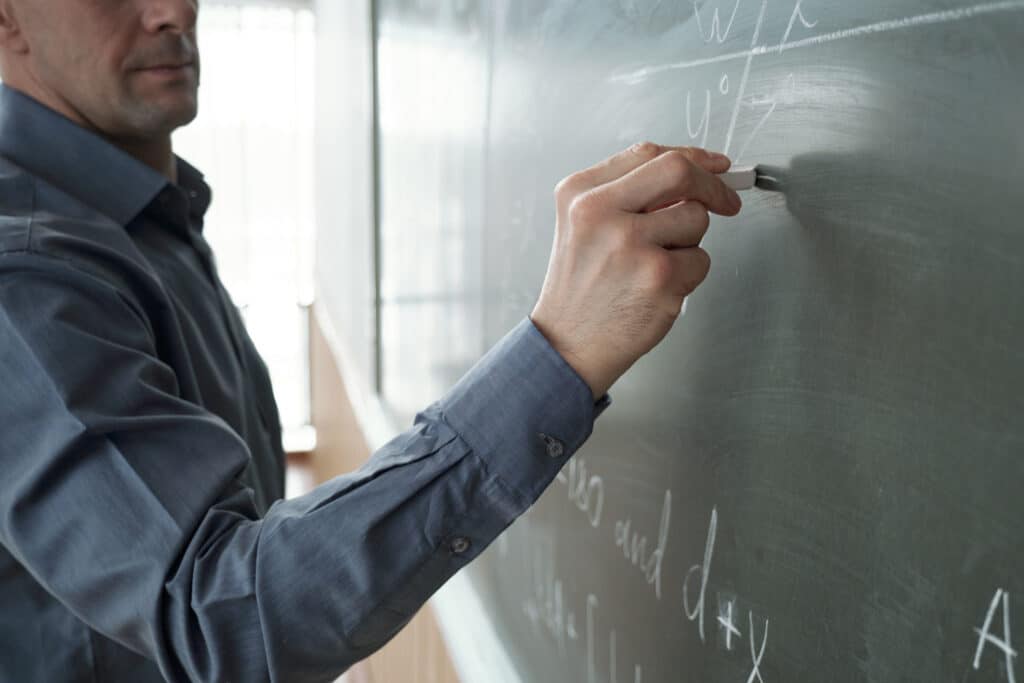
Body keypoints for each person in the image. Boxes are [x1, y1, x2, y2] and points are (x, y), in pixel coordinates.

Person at [0, 0, 743, 681]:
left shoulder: (134, 216)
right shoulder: (28, 273)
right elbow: (214, 615)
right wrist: (559, 354)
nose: (174, 9)